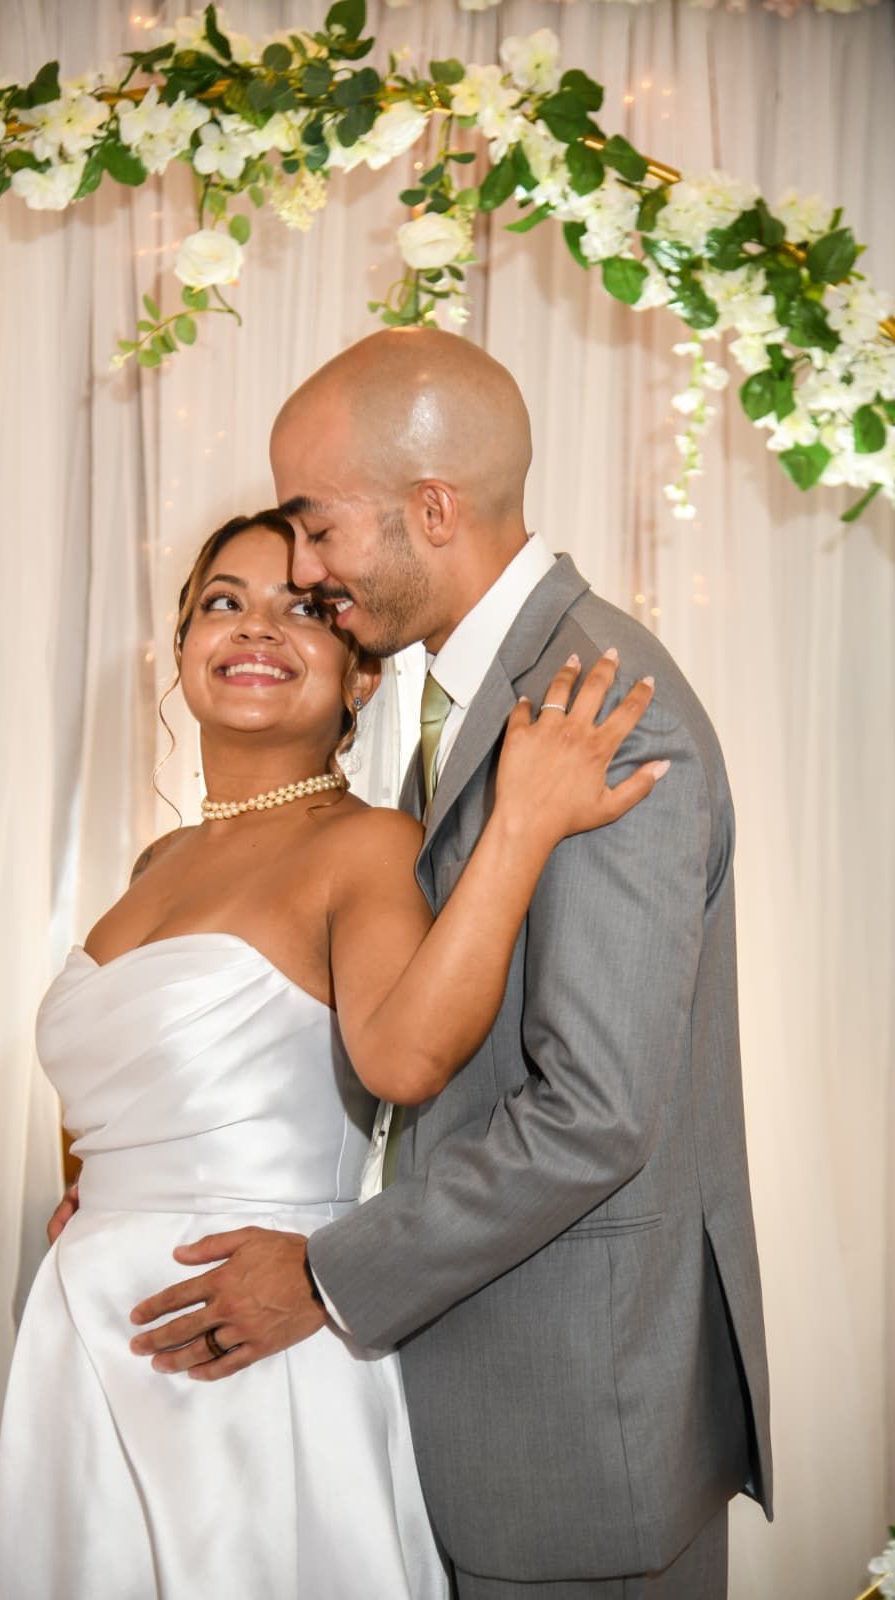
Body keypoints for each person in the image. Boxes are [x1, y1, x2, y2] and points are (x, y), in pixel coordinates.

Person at [129, 331, 774, 1600]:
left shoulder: (603, 710)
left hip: (574, 1423)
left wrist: (324, 1274)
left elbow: (591, 1115)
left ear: (431, 509)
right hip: (470, 1397)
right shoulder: (487, 695)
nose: (304, 573)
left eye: (316, 530)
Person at [0, 508, 664, 1599]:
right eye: (223, 603)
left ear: (361, 678)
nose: (255, 630)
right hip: (89, 1334)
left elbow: (406, 1061)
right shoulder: (159, 856)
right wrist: (97, 1184)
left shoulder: (365, 843)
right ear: (182, 643)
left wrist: (518, 824)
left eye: (306, 610)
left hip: (243, 1336)